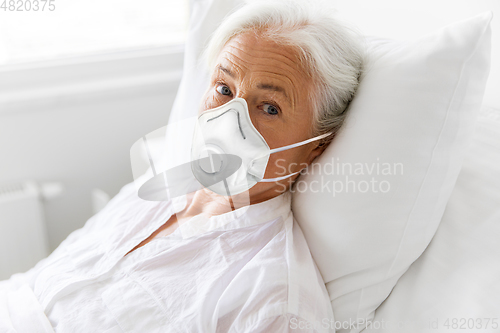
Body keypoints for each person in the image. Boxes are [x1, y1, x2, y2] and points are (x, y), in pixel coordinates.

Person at [0, 0, 364, 332]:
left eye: (269, 107)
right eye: (224, 88)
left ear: (317, 146)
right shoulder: (158, 186)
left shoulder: (273, 301)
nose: (227, 119)